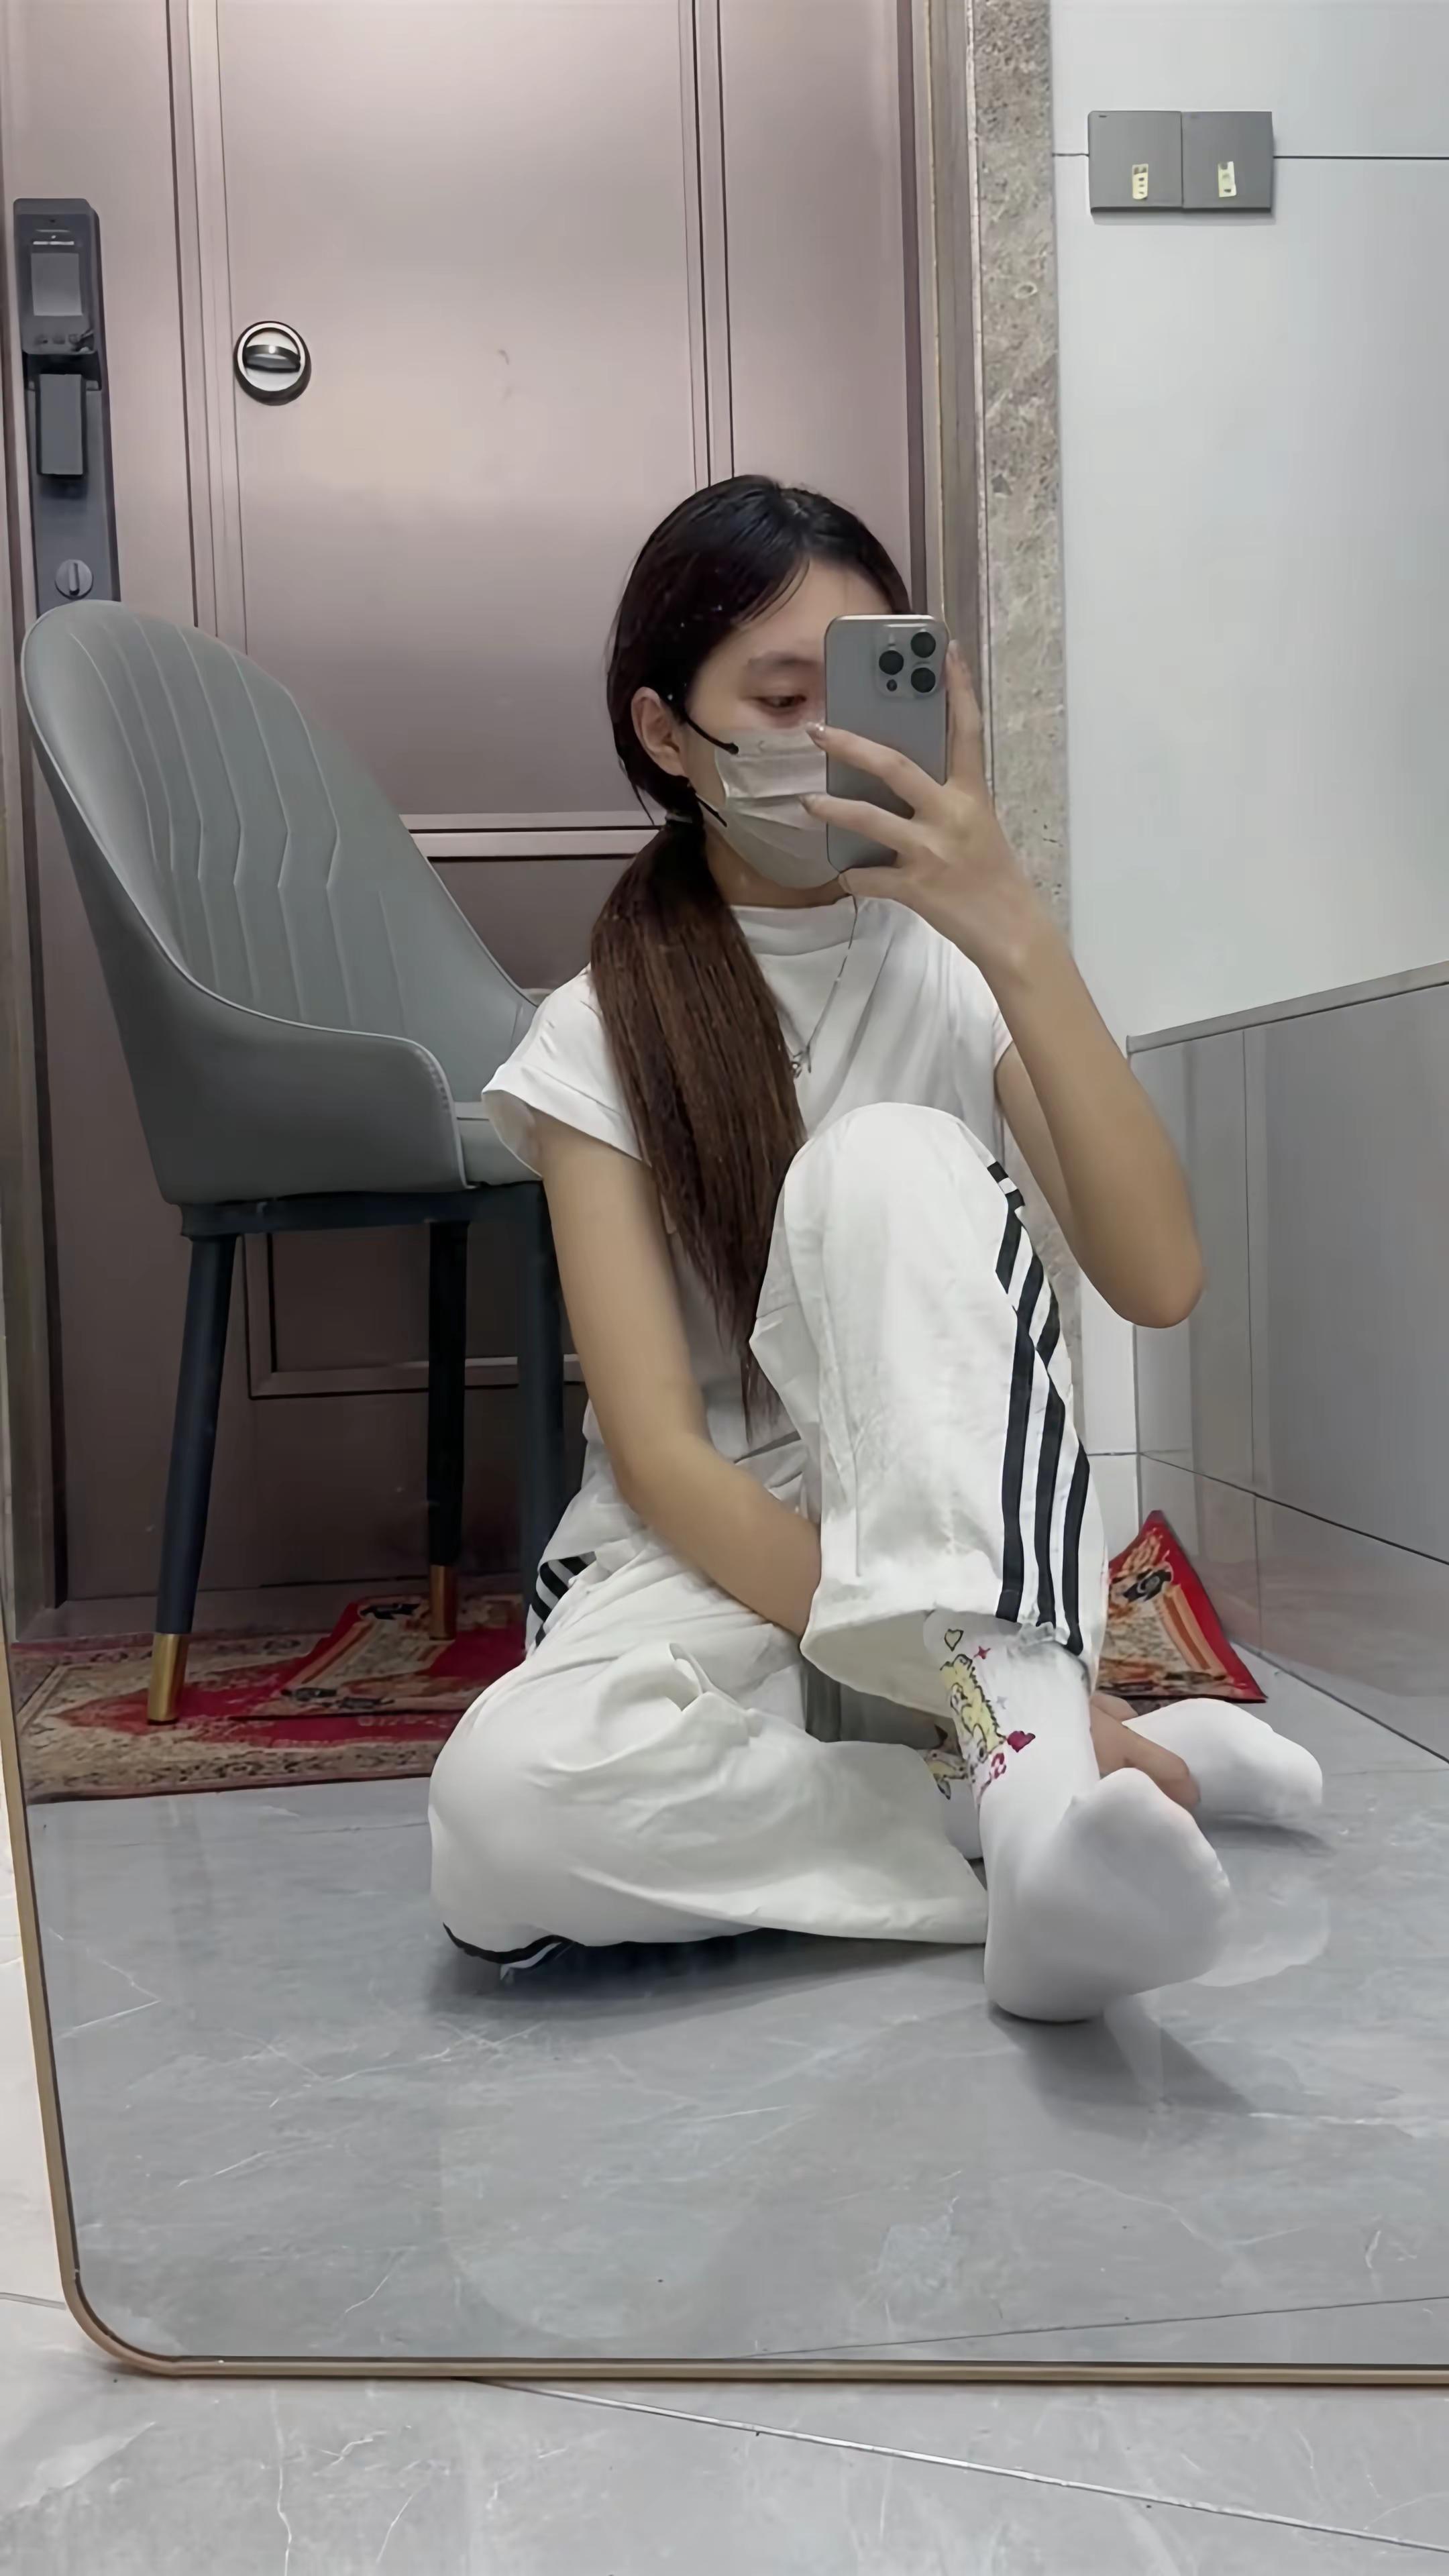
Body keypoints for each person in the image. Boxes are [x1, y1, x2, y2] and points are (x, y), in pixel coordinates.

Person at [429, 476, 1321, 2021]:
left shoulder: (956, 970)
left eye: (861, 692)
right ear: (665, 735)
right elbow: (663, 1461)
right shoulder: (595, 1034)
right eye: (782, 702)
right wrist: (931, 1672)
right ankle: (1057, 1793)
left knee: (887, 1159)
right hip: (714, 1558)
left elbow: (1159, 1277)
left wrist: (1012, 926)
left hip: (958, 1533)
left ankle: (1034, 1799)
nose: (827, 738)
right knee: (504, 1820)